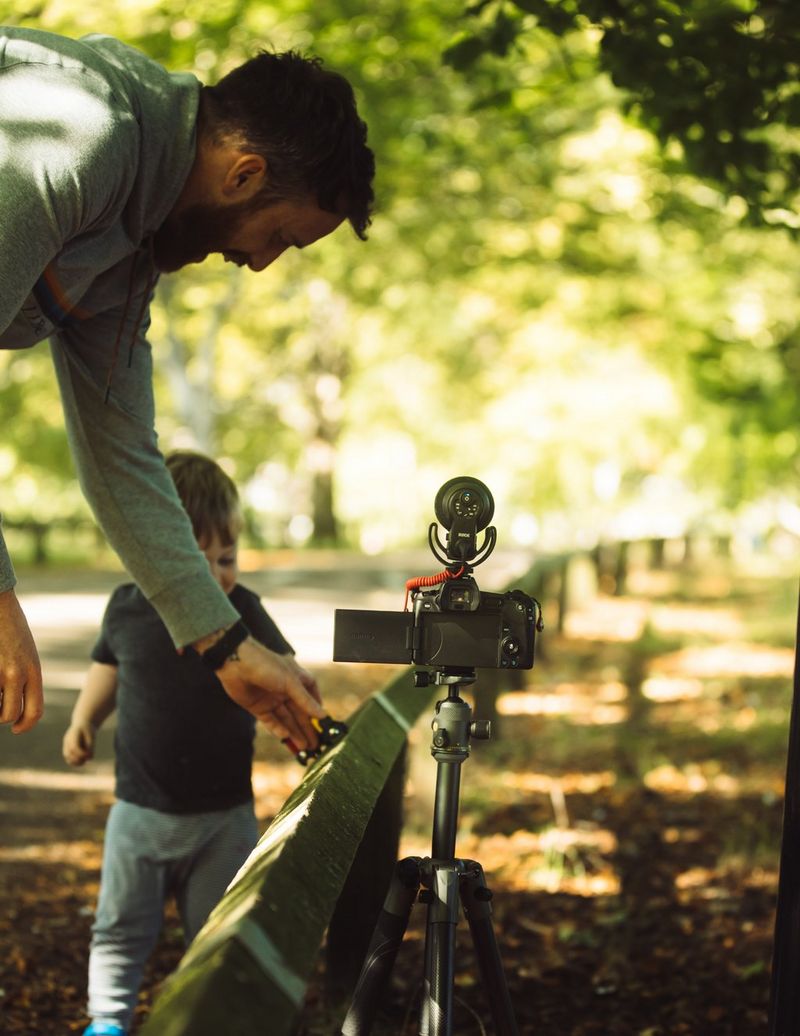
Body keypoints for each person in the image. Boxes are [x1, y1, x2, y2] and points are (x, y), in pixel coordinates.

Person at [0, 26, 374, 740]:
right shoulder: (80, 131)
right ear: (244, 174)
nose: (261, 263)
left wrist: (228, 647)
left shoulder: (131, 254)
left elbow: (121, 457)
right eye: (280, 237)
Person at [63, 450, 317, 1036]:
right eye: (194, 560)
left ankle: (212, 1020)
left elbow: (282, 671)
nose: (214, 576)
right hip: (139, 816)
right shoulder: (126, 608)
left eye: (226, 558)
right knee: (120, 928)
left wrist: (303, 713)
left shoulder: (243, 610)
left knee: (217, 937)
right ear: (151, 551)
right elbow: (107, 669)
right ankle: (108, 1020)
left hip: (222, 821)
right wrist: (83, 720)